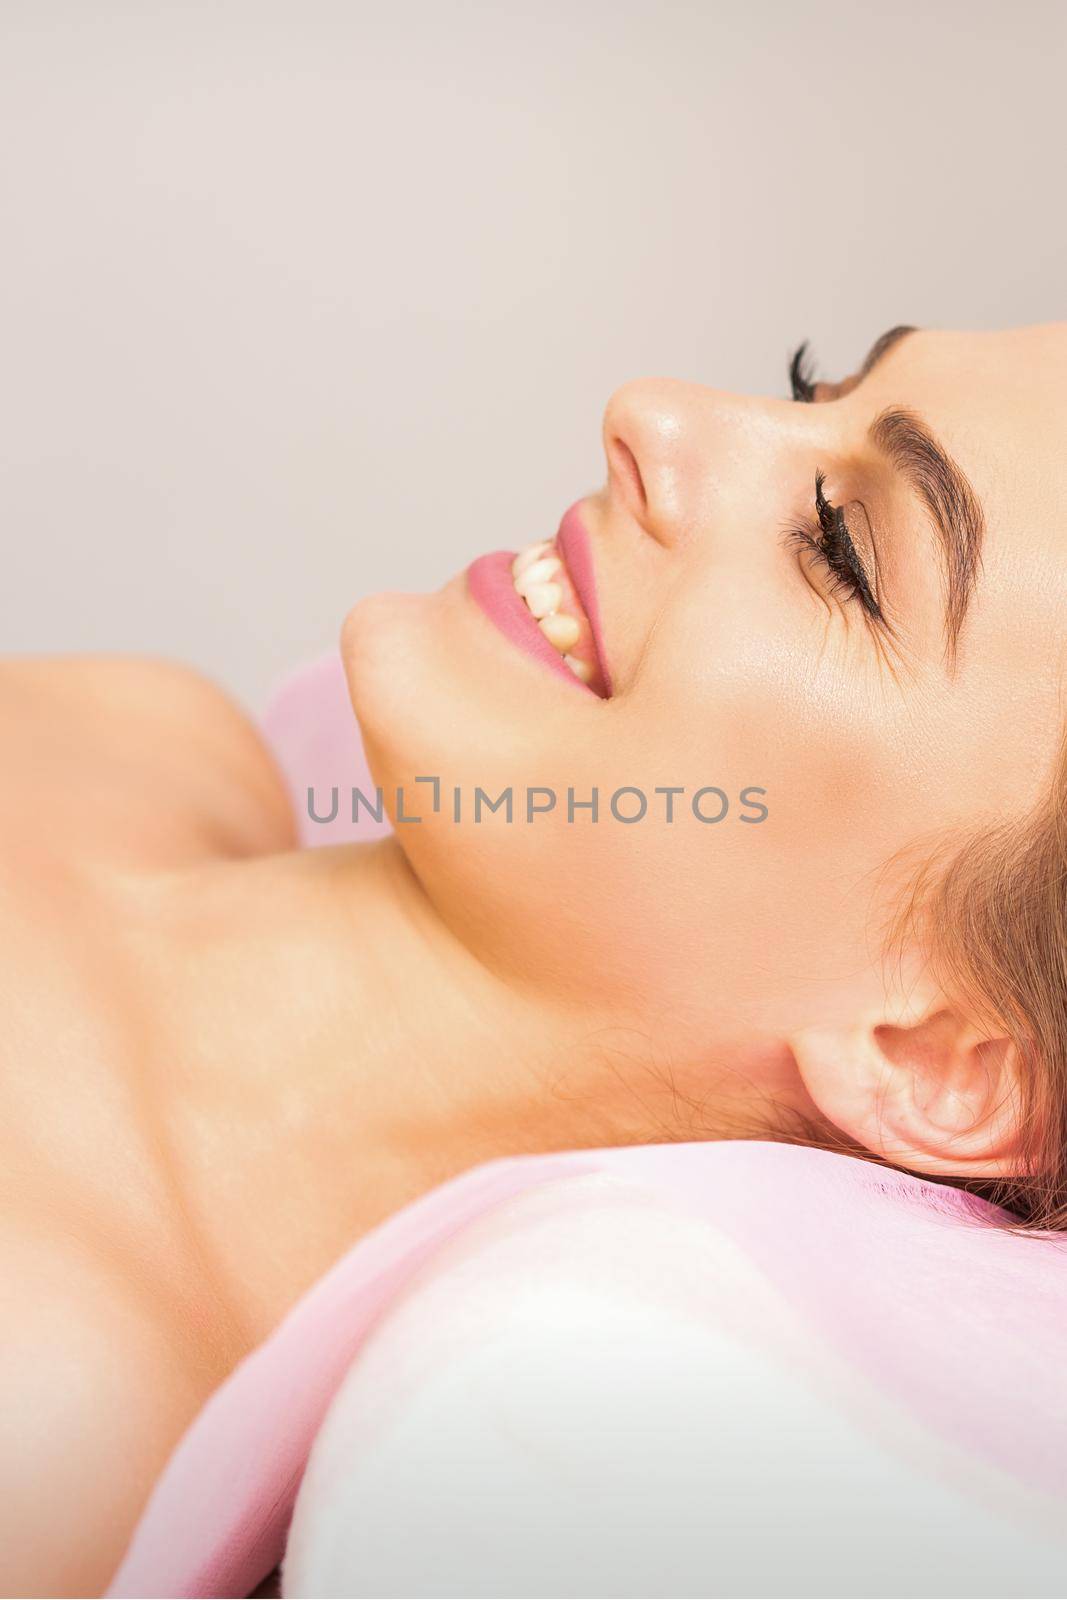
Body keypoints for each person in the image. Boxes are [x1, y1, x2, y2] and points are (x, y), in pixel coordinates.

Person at [2, 322, 1064, 1597]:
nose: (653, 412)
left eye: (836, 546)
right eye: (813, 386)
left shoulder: (51, 1410)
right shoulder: (153, 736)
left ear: (945, 1062)